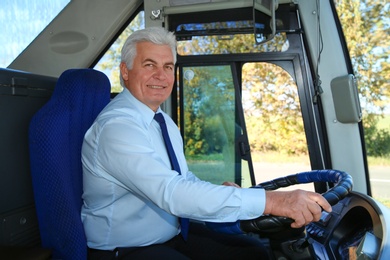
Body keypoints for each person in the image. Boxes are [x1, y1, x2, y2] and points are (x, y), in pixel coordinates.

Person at [81, 27, 332, 259]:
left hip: (171, 235)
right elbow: (173, 193)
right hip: (124, 250)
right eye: (150, 65)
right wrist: (275, 201)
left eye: (168, 67)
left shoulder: (162, 120)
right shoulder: (117, 128)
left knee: (253, 254)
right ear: (125, 71)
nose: (161, 76)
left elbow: (183, 180)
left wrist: (233, 194)